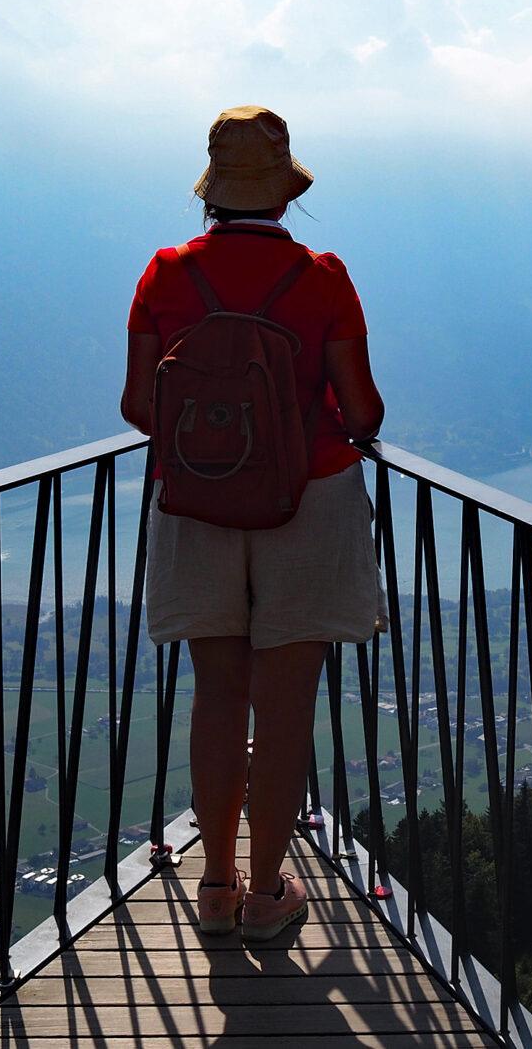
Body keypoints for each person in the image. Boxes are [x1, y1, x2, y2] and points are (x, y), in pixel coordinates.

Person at [120, 105, 385, 942]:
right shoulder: (323, 277)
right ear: (284, 193)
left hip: (195, 503)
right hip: (309, 503)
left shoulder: (166, 274)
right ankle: (270, 893)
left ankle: (216, 884)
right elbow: (364, 412)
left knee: (217, 696)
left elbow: (138, 406)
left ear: (211, 193)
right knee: (284, 705)